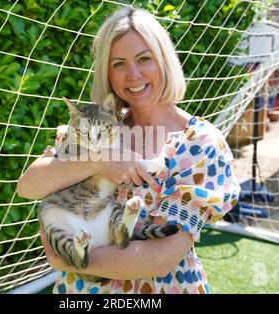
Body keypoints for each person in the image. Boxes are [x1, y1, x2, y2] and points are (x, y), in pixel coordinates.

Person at [17, 7, 240, 294]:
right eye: (118, 63)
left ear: (164, 60)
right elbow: (29, 186)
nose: (133, 75)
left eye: (144, 59)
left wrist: (68, 260)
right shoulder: (95, 130)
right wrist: (97, 163)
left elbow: (159, 258)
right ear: (106, 72)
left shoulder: (199, 143)